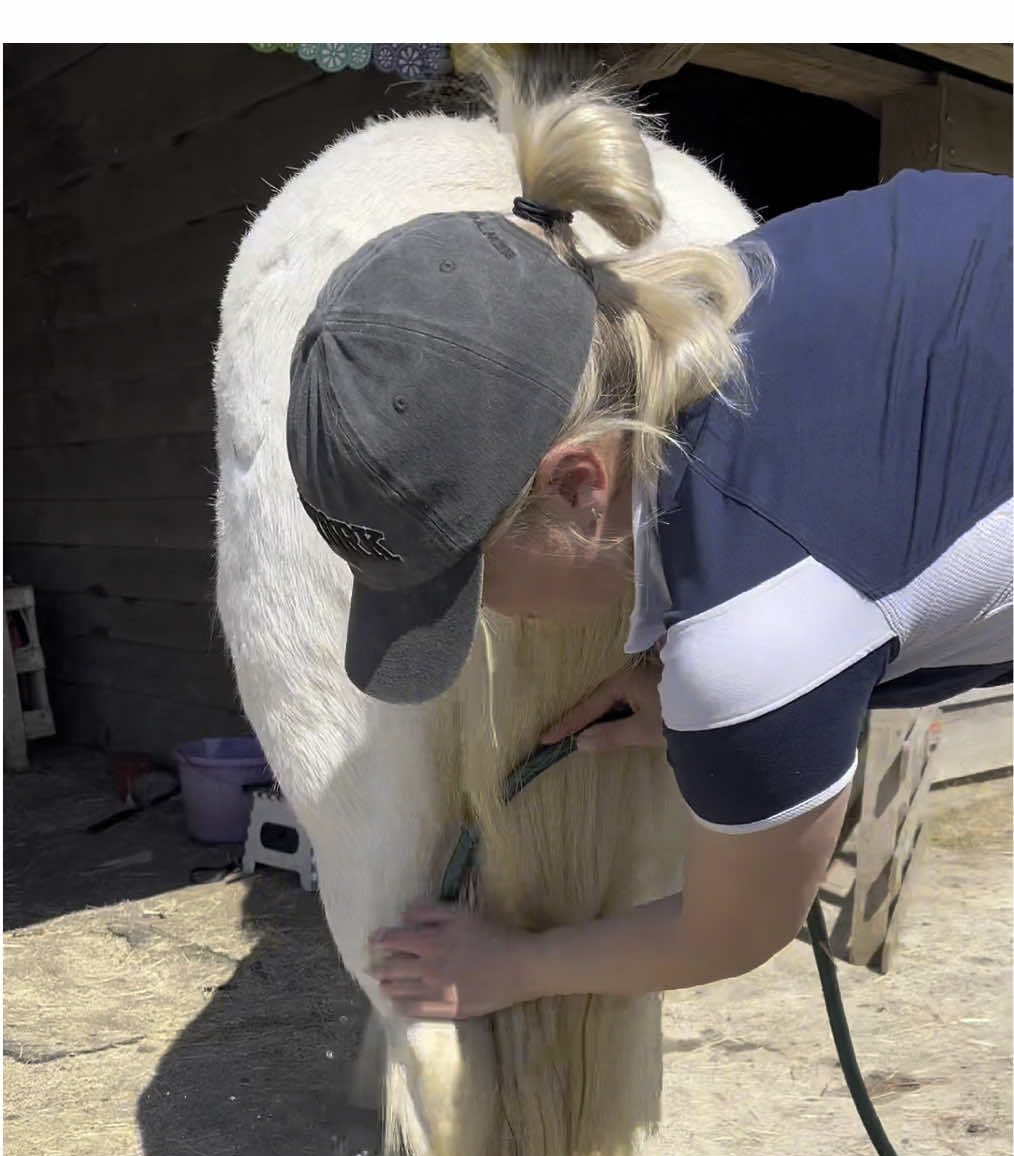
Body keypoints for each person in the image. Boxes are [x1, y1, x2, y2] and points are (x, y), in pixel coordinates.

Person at [285, 64, 1012, 1022]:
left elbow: (734, 930)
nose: (497, 615)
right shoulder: (730, 289)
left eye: (476, 581)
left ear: (580, 484)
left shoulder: (753, 637)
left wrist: (515, 966)